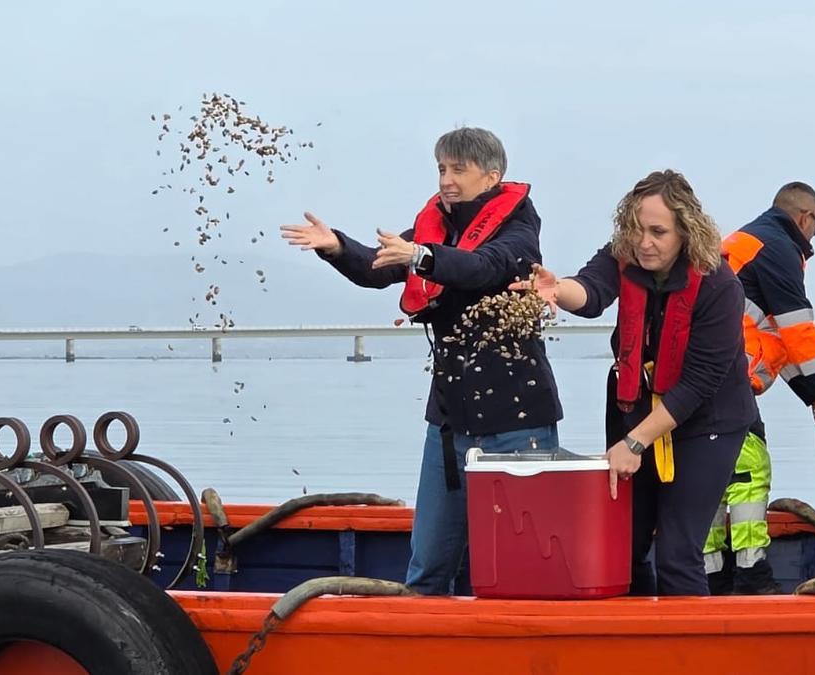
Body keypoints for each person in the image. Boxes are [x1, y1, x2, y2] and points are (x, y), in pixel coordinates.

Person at [281, 127, 563, 595]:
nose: (446, 180)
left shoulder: (519, 230)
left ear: (492, 176)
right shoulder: (435, 228)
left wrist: (422, 257)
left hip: (517, 423)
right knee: (427, 566)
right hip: (449, 422)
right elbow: (378, 267)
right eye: (441, 169)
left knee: (522, 567)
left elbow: (483, 267)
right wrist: (337, 247)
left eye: (458, 170)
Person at [513, 169, 756, 596]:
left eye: (658, 232)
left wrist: (634, 443)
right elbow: (591, 291)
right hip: (637, 407)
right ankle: (634, 632)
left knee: (677, 553)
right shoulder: (624, 254)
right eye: (637, 229)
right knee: (624, 545)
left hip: (707, 422)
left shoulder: (720, 285)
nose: (644, 243)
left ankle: (690, 638)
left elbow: (698, 384)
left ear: (685, 231)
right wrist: (557, 289)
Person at [705, 182, 815, 595]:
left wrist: (813, 395)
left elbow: (777, 340)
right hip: (726, 377)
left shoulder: (749, 243)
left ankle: (711, 578)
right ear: (805, 218)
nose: (814, 238)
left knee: (711, 477)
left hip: (706, 376)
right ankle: (751, 576)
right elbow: (797, 329)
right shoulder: (778, 248)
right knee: (750, 470)